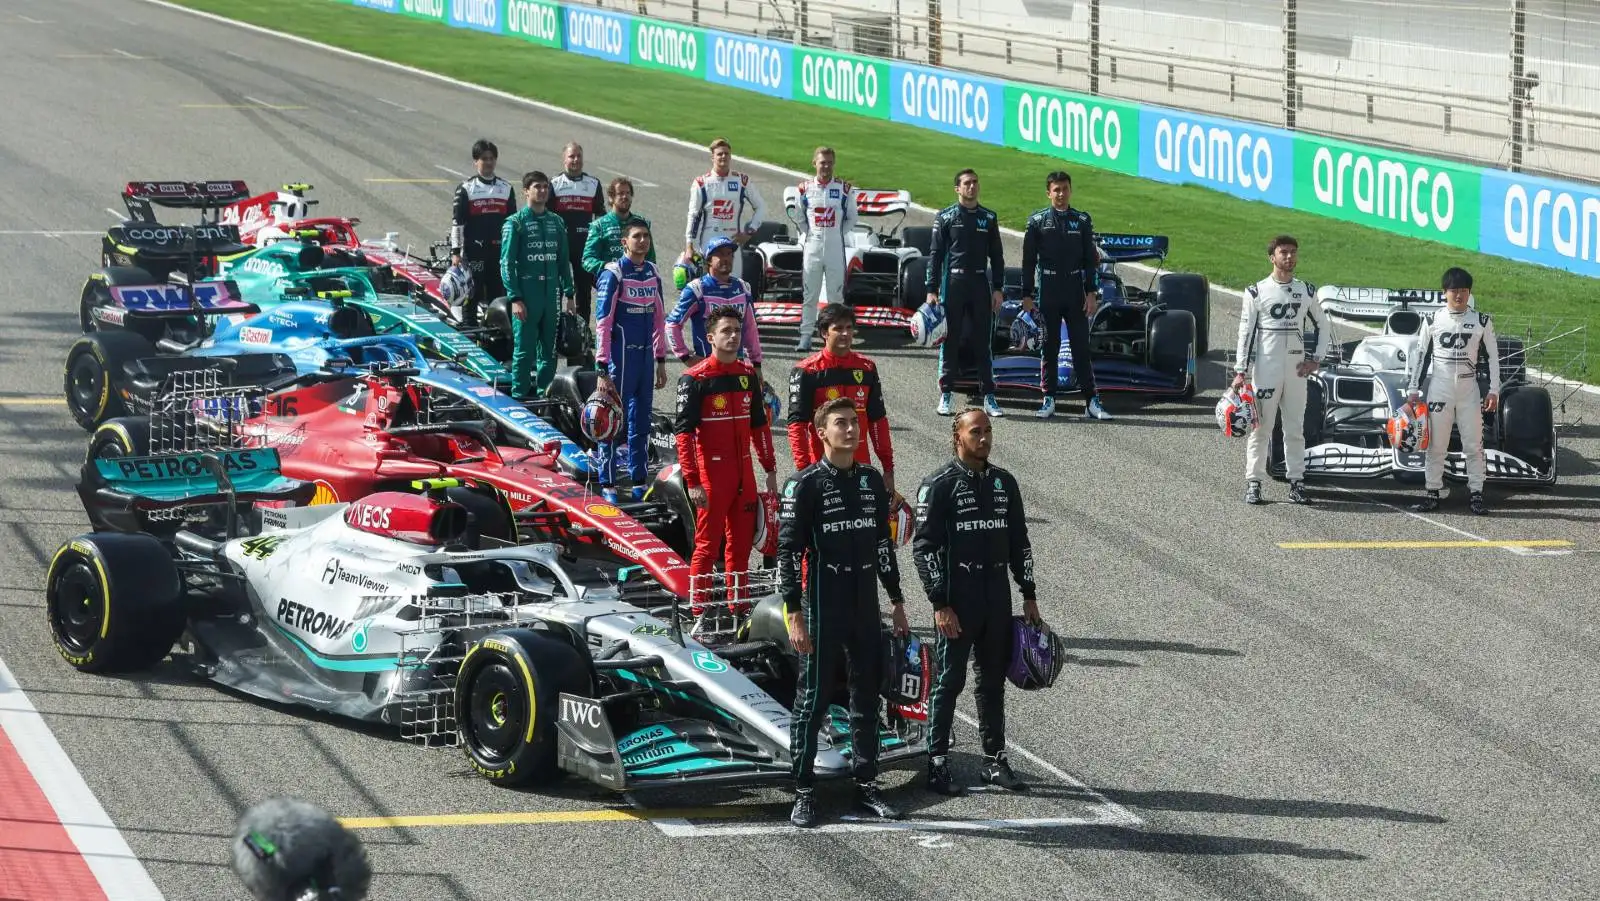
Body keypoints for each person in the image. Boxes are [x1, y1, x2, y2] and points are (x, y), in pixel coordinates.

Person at [779, 396, 909, 828]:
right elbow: (787, 551)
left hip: (865, 604)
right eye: (841, 423)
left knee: (866, 696)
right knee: (812, 700)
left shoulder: (872, 482)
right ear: (821, 431)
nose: (851, 430)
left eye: (855, 423)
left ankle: (867, 785)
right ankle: (803, 791)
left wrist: (897, 600)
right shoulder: (804, 485)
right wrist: (794, 612)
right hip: (822, 603)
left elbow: (882, 546)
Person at [914, 408, 1038, 795]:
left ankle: (994, 760)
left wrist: (1029, 594)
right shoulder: (937, 485)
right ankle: (936, 762)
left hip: (996, 599)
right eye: (975, 432)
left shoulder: (1005, 483)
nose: (984, 439)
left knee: (992, 684)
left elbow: (1020, 542)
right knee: (949, 682)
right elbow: (923, 550)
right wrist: (940, 604)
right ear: (958, 437)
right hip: (958, 602)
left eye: (988, 431)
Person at [673, 307, 779, 602]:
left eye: (736, 330)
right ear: (710, 337)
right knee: (707, 546)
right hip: (712, 476)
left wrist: (769, 468)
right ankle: (699, 611)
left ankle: (739, 607)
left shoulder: (747, 375)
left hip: (744, 474)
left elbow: (760, 426)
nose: (733, 336)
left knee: (741, 546)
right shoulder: (694, 379)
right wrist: (692, 481)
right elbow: (683, 435)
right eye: (725, 331)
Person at [1232, 234, 1331, 506]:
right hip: (1267, 369)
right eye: (1283, 252)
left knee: (1295, 429)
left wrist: (1317, 359)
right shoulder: (1256, 291)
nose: (1289, 257)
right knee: (1260, 428)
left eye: (1293, 252)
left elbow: (1324, 325)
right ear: (1272, 257)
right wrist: (1240, 370)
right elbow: (1245, 333)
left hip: (1297, 371)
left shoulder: (1307, 291)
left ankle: (1296, 483)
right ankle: (1254, 483)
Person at [1020, 171, 1112, 421]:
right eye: (1056, 190)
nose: (1061, 194)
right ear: (1048, 193)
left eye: (1065, 189)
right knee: (1050, 346)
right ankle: (1048, 398)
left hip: (1074, 289)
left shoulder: (1082, 220)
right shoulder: (1036, 221)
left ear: (1071, 190)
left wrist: (1092, 293)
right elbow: (1028, 262)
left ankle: (1091, 401)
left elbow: (1091, 262)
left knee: (1081, 347)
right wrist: (1026, 294)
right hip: (1048, 290)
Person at [1407, 267, 1499, 515]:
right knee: (1436, 446)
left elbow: (1493, 358)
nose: (1459, 295)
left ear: (1470, 293)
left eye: (1464, 291)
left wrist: (1494, 390)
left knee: (1474, 446)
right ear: (1444, 293)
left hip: (1470, 391)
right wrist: (1413, 388)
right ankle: (1432, 493)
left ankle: (1477, 494)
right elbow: (1421, 356)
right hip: (1440, 388)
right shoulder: (1433, 320)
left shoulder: (1481, 320)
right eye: (1454, 290)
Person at [593, 222, 669, 502]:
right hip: (619, 359)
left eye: (646, 236)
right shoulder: (614, 273)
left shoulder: (652, 271)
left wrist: (661, 359)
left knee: (641, 421)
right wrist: (602, 366)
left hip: (646, 358)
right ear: (624, 242)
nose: (643, 241)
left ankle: (639, 479)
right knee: (611, 420)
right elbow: (603, 322)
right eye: (636, 236)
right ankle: (608, 483)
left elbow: (660, 319)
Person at [787, 303, 894, 496]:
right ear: (824, 333)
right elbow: (797, 424)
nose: (845, 334)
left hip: (861, 467)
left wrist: (888, 467)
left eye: (849, 328)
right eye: (838, 328)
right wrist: (804, 470)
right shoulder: (806, 371)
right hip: (821, 468)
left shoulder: (867, 368)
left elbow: (878, 421)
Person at [925, 169, 1006, 419]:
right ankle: (946, 393)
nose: (972, 187)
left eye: (975, 183)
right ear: (957, 189)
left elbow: (998, 256)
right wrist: (932, 289)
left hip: (980, 282)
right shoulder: (945, 217)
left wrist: (998, 288)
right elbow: (935, 255)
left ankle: (989, 396)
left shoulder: (988, 217)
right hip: (954, 283)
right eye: (966, 183)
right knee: (951, 339)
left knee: (984, 340)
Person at [499, 171, 575, 399]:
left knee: (550, 352)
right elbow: (506, 263)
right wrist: (515, 298)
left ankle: (546, 396)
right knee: (524, 351)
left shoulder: (557, 222)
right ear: (526, 191)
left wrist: (569, 294)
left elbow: (564, 262)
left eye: (545, 187)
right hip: (527, 296)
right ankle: (519, 396)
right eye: (537, 187)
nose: (542, 191)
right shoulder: (515, 223)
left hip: (552, 294)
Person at [665, 237, 763, 370]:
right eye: (721, 254)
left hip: (737, 366)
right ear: (709, 259)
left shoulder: (743, 288)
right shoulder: (697, 289)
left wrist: (756, 364)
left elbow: (750, 329)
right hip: (707, 368)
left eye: (729, 254)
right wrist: (685, 357)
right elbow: (672, 324)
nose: (726, 258)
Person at [793, 146, 858, 352]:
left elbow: (852, 218)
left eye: (830, 162)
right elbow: (799, 217)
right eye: (823, 162)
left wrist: (836, 234)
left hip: (835, 247)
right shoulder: (803, 189)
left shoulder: (844, 189)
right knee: (810, 294)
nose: (826, 166)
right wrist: (811, 234)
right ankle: (805, 337)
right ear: (814, 163)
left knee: (835, 297)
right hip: (812, 245)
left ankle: (834, 338)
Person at [449, 139, 516, 324]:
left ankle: (497, 333)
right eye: (484, 158)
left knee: (498, 294)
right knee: (473, 294)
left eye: (492, 158)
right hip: (474, 251)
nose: (488, 162)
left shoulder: (506, 188)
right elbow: (457, 223)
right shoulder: (465, 188)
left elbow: (513, 224)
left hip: (499, 252)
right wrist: (456, 252)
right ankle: (470, 333)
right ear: (475, 161)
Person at [684, 138, 767, 279]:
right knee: (708, 285)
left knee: (734, 283)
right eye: (719, 154)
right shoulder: (701, 183)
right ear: (712, 157)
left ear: (730, 156)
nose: (723, 157)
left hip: (733, 241)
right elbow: (693, 215)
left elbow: (761, 207)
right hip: (709, 241)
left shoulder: (742, 180)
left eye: (726, 154)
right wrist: (689, 245)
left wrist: (749, 232)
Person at [550, 142, 606, 321]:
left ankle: (583, 331)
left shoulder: (593, 184)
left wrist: (599, 240)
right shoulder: (554, 184)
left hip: (584, 246)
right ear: (563, 159)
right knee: (557, 287)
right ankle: (557, 327)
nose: (575, 160)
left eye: (578, 156)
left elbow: (600, 214)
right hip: (560, 245)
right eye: (571, 156)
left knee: (584, 290)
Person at [582, 177, 655, 279]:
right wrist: (606, 266)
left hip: (638, 284)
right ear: (611, 197)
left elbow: (651, 260)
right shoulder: (599, 226)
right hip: (612, 284)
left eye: (628, 193)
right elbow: (587, 260)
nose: (625, 196)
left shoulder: (641, 224)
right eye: (620, 193)